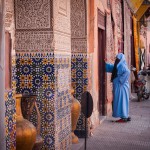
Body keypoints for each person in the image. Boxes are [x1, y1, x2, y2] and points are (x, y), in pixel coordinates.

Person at [105, 53, 131, 122]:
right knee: (121, 101)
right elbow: (113, 69)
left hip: (121, 87)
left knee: (121, 101)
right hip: (119, 86)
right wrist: (105, 63)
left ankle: (124, 117)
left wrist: (121, 80)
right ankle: (124, 115)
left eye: (118, 59)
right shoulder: (119, 65)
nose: (117, 59)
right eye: (117, 58)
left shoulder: (122, 65)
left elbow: (127, 72)